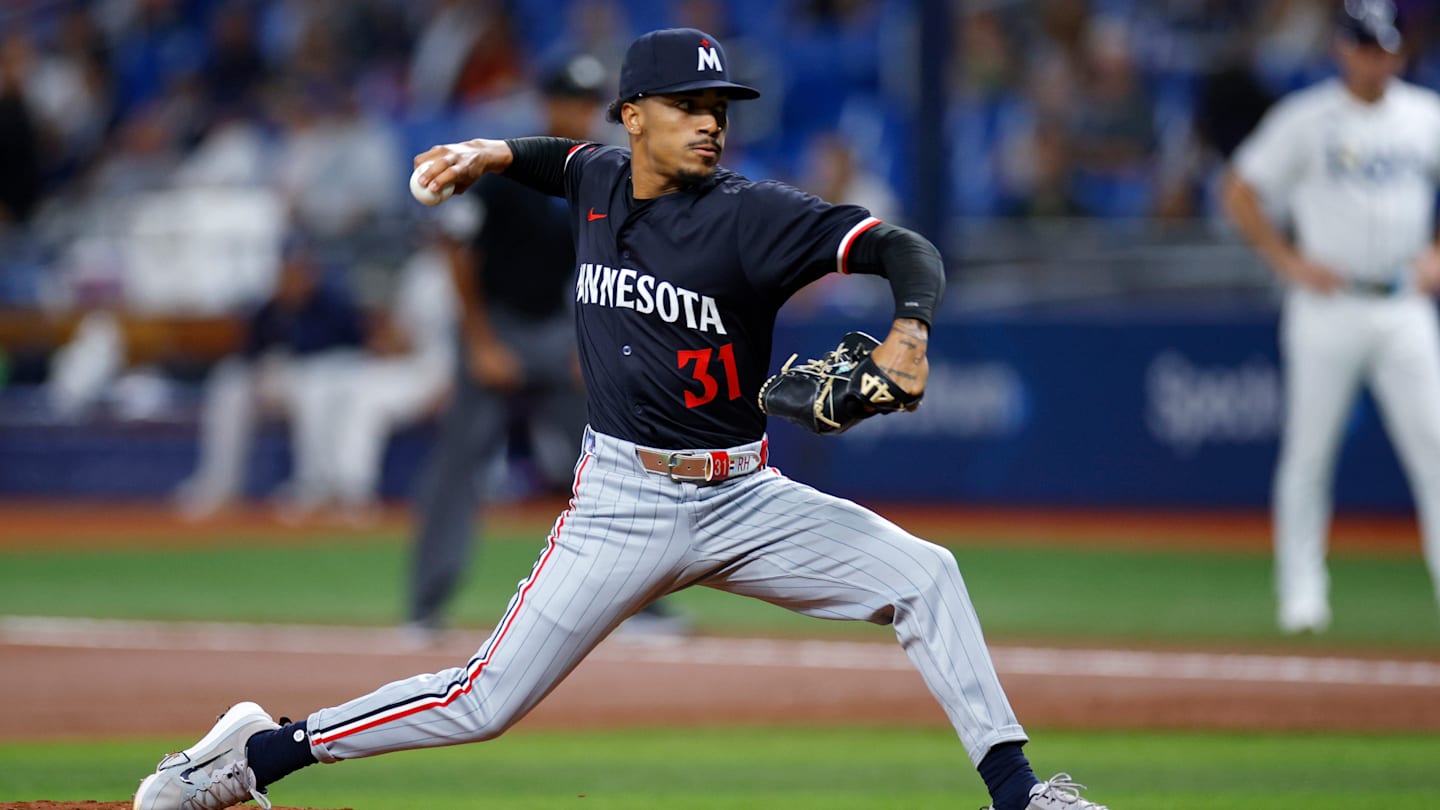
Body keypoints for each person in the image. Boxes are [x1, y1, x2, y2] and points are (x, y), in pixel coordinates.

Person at [133, 28, 1108, 810]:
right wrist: (492, 152)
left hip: (744, 495)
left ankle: (1022, 797)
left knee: (926, 575)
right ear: (633, 117)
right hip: (620, 504)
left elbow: (903, 246)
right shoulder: (600, 179)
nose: (710, 123)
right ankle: (254, 756)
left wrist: (910, 330)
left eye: (720, 107)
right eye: (688, 106)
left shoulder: (751, 215)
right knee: (482, 702)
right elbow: (559, 161)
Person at [407, 53, 686, 638]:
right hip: (497, 323)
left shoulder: (605, 174)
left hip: (564, 328)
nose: (577, 113)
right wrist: (482, 342)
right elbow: (455, 248)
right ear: (548, 103)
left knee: (620, 457)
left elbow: (616, 267)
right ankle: (425, 607)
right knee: (461, 462)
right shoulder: (516, 167)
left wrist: (591, 344)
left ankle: (648, 604)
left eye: (587, 103)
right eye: (568, 100)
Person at [1222, 4, 1440, 634]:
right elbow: (1238, 187)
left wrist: (1435, 258)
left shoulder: (1424, 116)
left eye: (1383, 47)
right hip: (1327, 304)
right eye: (1363, 46)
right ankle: (1302, 599)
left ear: (1400, 51)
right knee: (1309, 455)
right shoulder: (1307, 118)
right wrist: (1287, 261)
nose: (1374, 59)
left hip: (1403, 304)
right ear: (1342, 49)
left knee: (1432, 455)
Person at [173, 237, 365, 520]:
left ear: (311, 272)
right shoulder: (272, 308)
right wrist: (261, 370)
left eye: (299, 269)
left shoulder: (331, 305)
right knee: (230, 384)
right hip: (285, 381)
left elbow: (351, 346)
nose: (292, 276)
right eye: (287, 270)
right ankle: (219, 485)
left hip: (330, 381)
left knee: (311, 389)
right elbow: (249, 350)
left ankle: (312, 486)